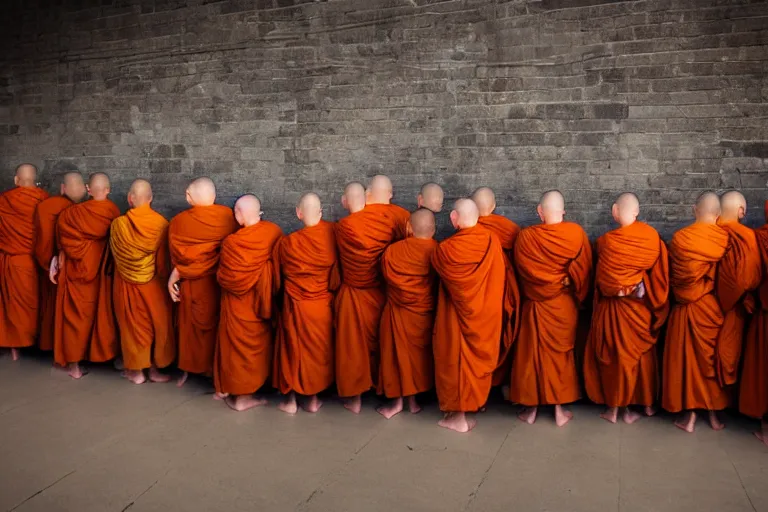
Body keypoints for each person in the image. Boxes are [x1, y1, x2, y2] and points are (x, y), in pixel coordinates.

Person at [583, 193, 669, 424]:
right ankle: (647, 404)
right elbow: (660, 277)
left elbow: (602, 281)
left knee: (616, 357)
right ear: (637, 211)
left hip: (615, 310)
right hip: (640, 311)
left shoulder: (606, 243)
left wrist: (619, 289)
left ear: (614, 211)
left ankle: (614, 409)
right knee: (641, 357)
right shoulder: (652, 238)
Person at [511, 190, 593, 427]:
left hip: (536, 304)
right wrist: (566, 281)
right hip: (562, 304)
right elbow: (584, 271)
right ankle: (559, 409)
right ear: (563, 211)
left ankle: (531, 409)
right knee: (560, 356)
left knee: (532, 356)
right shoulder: (575, 234)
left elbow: (524, 272)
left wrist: (546, 283)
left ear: (539, 212)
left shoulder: (526, 238)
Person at [334, 177, 409, 413]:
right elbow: (408, 251)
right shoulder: (398, 216)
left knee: (352, 346)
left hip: (354, 292)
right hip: (384, 291)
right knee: (385, 342)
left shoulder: (344, 226)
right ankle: (387, 391)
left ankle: (355, 399)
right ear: (390, 193)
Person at [431, 198, 505, 432]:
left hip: (455, 318)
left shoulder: (444, 250)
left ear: (454, 219)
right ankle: (472, 407)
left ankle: (458, 417)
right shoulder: (492, 241)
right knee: (471, 363)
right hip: (484, 316)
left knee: (455, 360)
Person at [662, 192, 730, 433]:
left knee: (687, 362)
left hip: (685, 307)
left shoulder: (680, 238)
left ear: (694, 210)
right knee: (709, 361)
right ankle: (714, 416)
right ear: (718, 214)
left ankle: (689, 416)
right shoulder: (723, 238)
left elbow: (673, 278)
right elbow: (730, 278)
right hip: (710, 308)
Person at [214, 195, 282, 411]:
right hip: (260, 304)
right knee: (255, 351)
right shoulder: (273, 232)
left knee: (235, 348)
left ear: (238, 214)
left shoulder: (231, 243)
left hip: (238, 305)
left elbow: (224, 277)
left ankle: (238, 395)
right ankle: (244, 396)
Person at [168, 177, 238, 387]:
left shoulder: (179, 222)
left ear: (189, 198)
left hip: (192, 283)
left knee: (189, 330)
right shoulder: (228, 216)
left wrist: (178, 272)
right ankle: (212, 370)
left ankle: (188, 370)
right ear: (214, 196)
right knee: (215, 326)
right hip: (217, 284)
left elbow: (179, 255)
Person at [274, 193, 339, 414]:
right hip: (321, 305)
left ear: (298, 213)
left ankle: (290, 401)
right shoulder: (332, 234)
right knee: (318, 353)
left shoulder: (287, 243)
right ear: (321, 213)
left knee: (292, 349)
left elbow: (278, 274)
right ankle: (312, 399)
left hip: (295, 304)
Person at [52, 172, 121, 379]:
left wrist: (61, 255)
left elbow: (64, 241)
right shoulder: (114, 213)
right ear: (108, 190)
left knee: (75, 319)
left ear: (88, 190)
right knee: (103, 316)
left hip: (76, 273)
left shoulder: (70, 214)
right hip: (101, 276)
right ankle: (107, 356)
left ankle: (74, 366)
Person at [110, 179, 175, 385]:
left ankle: (136, 371)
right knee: (156, 325)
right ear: (151, 199)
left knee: (132, 326)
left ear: (130, 199)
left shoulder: (118, 225)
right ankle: (155, 370)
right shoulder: (161, 224)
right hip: (153, 284)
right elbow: (164, 263)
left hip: (126, 283)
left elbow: (117, 258)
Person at [377, 208, 439, 419]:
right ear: (434, 229)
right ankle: (413, 402)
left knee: (397, 356)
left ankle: (396, 403)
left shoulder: (392, 252)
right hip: (424, 313)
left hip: (399, 311)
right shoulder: (439, 252)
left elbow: (385, 278)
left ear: (409, 227)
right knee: (417, 358)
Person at [471, 186, 521, 395]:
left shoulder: (469, 232)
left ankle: (478, 387)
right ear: (494, 206)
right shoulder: (509, 230)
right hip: (502, 292)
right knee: (501, 335)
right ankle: (500, 382)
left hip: (476, 295)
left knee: (477, 340)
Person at [715, 191, 761, 406]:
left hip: (706, 307)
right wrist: (741, 297)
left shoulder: (708, 234)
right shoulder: (746, 236)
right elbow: (747, 279)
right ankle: (727, 402)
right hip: (735, 306)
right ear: (741, 211)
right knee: (730, 354)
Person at [0, 164, 49, 360]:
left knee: (13, 306)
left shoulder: (4, 201)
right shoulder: (44, 199)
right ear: (36, 180)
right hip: (36, 261)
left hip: (12, 260)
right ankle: (36, 344)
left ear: (16, 180)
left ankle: (14, 348)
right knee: (36, 303)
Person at [34, 171, 87, 352]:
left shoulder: (45, 206)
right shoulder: (83, 212)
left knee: (51, 308)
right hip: (73, 267)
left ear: (62, 188)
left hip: (49, 264)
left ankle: (51, 347)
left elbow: (41, 240)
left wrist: (47, 261)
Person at [740, 200, 768, 446]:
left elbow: (751, 277)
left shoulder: (758, 238)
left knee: (763, 372)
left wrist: (750, 301)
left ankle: (765, 429)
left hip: (765, 314)